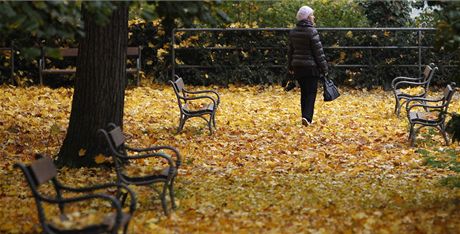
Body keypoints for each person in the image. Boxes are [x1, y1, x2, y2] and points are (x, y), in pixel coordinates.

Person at [287, 6, 328, 126]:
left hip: (298, 66)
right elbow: (318, 52)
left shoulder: (293, 32)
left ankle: (304, 116)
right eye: (312, 15)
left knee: (304, 92)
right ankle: (307, 118)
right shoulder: (312, 31)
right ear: (308, 17)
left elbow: (290, 51)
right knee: (311, 93)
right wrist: (324, 68)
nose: (314, 17)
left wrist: (289, 67)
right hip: (311, 67)